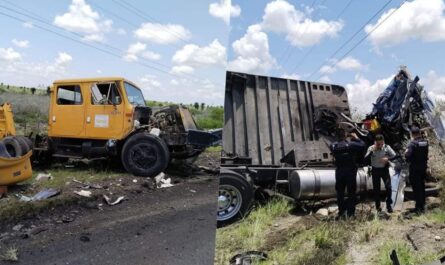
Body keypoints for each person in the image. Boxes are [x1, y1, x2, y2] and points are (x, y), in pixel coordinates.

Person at [330, 128, 365, 218]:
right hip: (350, 172)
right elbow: (362, 145)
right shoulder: (350, 145)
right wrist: (356, 137)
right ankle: (351, 214)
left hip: (339, 172)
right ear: (345, 135)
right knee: (351, 193)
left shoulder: (333, 145)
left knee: (340, 193)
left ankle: (341, 212)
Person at [364, 134, 397, 213]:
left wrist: (387, 158)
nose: (380, 145)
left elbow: (395, 155)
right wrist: (372, 151)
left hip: (384, 170)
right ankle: (378, 207)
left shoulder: (386, 147)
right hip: (375, 170)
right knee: (376, 190)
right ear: (375, 142)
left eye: (381, 143)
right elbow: (365, 159)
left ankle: (389, 205)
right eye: (378, 144)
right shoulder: (371, 148)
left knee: (389, 187)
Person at [405, 127, 428, 214]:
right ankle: (422, 206)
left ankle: (418, 208)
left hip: (415, 169)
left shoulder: (412, 144)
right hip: (423, 168)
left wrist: (405, 152)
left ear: (412, 134)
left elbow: (407, 156)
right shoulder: (425, 142)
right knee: (422, 187)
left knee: (417, 188)